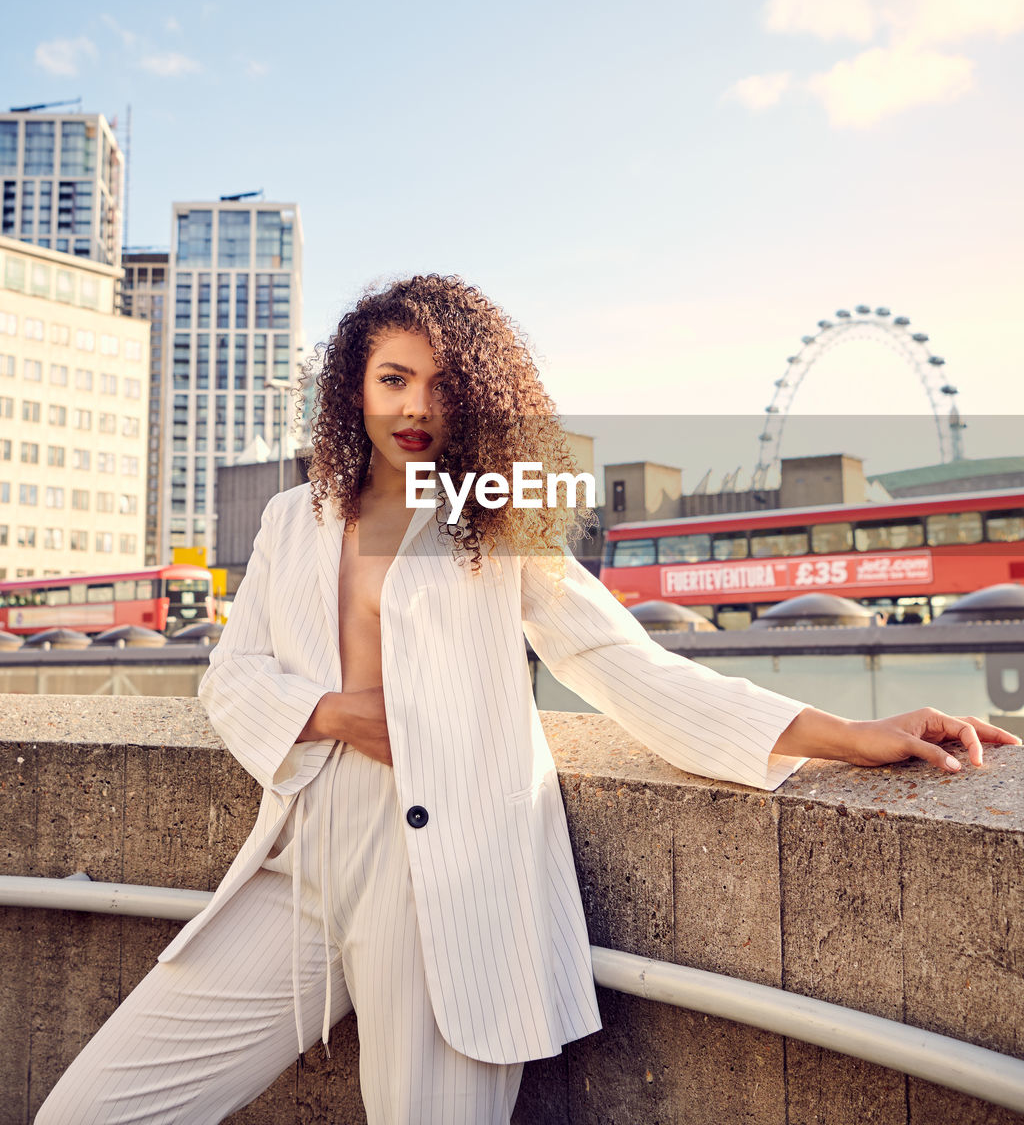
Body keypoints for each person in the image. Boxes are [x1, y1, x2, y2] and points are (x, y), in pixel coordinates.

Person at [36, 274, 1019, 1125]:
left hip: (446, 890)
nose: (414, 402)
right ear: (353, 386)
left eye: (441, 382)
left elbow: (628, 668)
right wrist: (331, 713)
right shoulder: (297, 517)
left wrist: (845, 731)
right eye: (392, 377)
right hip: (295, 868)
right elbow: (231, 671)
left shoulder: (490, 523)